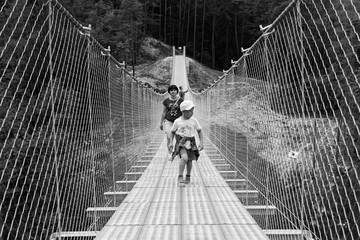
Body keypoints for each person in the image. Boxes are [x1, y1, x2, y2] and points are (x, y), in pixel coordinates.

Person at [168, 100, 204, 184]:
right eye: (190, 111)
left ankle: (188, 175)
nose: (192, 113)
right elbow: (172, 131)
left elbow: (199, 131)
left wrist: (201, 143)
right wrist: (170, 143)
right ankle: (180, 176)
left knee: (190, 160)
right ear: (183, 111)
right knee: (184, 158)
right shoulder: (177, 121)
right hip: (181, 142)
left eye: (192, 110)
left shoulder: (194, 120)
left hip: (191, 142)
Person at [160, 85, 184, 155]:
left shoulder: (181, 101)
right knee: (169, 135)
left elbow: (183, 111)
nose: (173, 91)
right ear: (169, 92)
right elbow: (164, 112)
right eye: (171, 90)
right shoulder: (166, 101)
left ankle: (178, 152)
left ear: (177, 91)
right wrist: (161, 123)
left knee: (178, 138)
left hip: (178, 122)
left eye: (174, 90)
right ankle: (170, 153)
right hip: (168, 121)